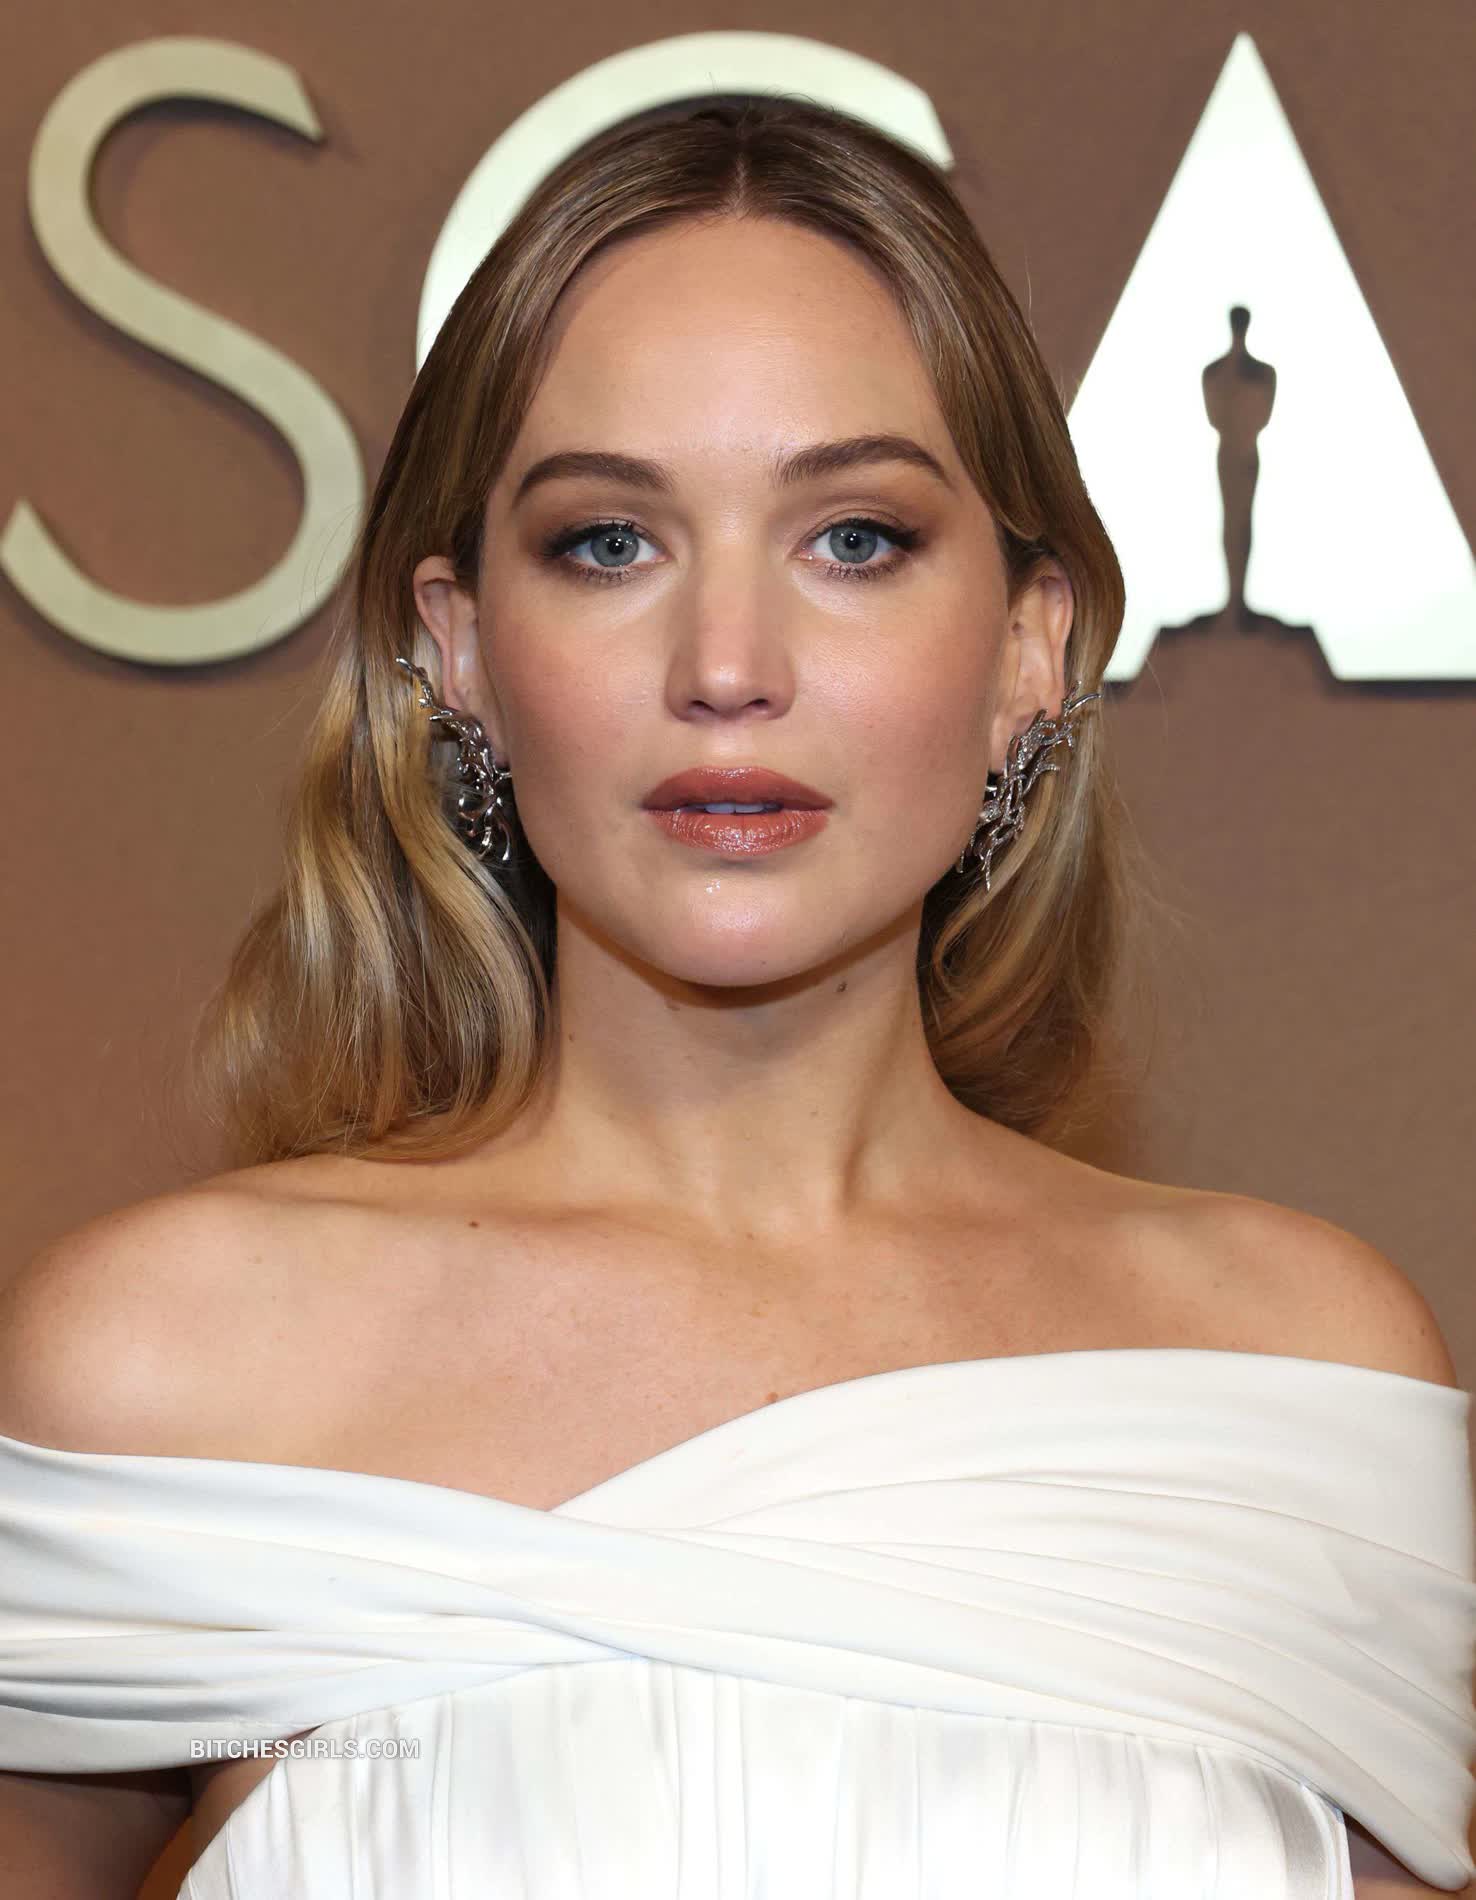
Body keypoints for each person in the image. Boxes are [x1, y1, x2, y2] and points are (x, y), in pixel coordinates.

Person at [0, 96, 1470, 1900]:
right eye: (608, 543)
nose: (726, 668)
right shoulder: (168, 1369)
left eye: (852, 539)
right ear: (460, 650)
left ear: (1031, 646)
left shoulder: (1299, 1378)